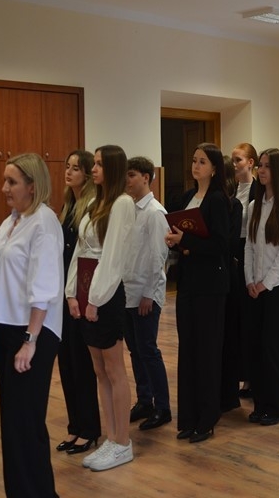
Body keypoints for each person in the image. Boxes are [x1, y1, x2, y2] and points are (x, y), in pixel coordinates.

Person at [0, 153, 64, 497]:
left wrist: (29, 340)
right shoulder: (12, 221)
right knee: (12, 425)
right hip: (7, 329)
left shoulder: (43, 223)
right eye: (5, 181)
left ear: (32, 186)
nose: (4, 188)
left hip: (33, 333)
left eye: (12, 182)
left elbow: (43, 287)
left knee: (25, 424)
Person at [66, 145, 136, 471]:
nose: (93, 169)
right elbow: (81, 251)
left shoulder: (122, 203)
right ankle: (111, 437)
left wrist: (96, 299)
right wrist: (72, 294)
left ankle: (123, 442)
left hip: (105, 296)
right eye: (93, 164)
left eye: (98, 164)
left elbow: (113, 257)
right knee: (99, 370)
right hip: (87, 292)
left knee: (114, 369)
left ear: (113, 168)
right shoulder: (96, 202)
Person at [165, 142, 231, 443]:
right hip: (189, 282)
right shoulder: (187, 197)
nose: (196, 165)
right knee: (188, 349)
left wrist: (186, 241)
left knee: (207, 351)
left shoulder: (218, 200)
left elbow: (220, 245)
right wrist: (176, 241)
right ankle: (188, 417)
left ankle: (207, 418)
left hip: (211, 285)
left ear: (214, 168)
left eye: (202, 161)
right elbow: (185, 237)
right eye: (194, 160)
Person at [244, 148, 279, 425]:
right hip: (255, 288)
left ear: (277, 171)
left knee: (273, 349)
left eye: (266, 166)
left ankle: (277, 407)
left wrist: (265, 283)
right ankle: (260, 403)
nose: (261, 170)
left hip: (277, 289)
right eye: (260, 166)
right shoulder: (254, 206)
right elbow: (249, 247)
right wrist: (249, 281)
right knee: (255, 348)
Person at [56, 150, 101, 456]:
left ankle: (90, 429)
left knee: (82, 363)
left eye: (75, 168)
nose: (69, 172)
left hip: (81, 293)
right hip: (63, 292)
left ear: (86, 174)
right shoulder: (67, 205)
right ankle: (74, 426)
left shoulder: (93, 206)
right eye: (67, 167)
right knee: (66, 362)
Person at [123, 157, 171, 430]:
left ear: (146, 177)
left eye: (131, 175)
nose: (127, 180)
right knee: (135, 350)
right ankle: (145, 400)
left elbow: (157, 257)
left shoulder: (154, 212)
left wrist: (149, 294)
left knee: (148, 350)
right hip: (128, 291)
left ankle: (163, 407)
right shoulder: (129, 208)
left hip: (145, 293)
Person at [231, 143, 259, 399]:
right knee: (235, 318)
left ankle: (251, 376)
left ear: (251, 162)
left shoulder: (258, 190)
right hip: (232, 253)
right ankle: (236, 374)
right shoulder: (230, 190)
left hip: (249, 251)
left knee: (249, 318)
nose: (234, 164)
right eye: (232, 160)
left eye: (238, 160)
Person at [220, 154, 243, 413]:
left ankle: (228, 392)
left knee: (228, 335)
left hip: (227, 276)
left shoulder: (233, 205)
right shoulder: (193, 198)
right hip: (204, 278)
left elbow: (230, 243)